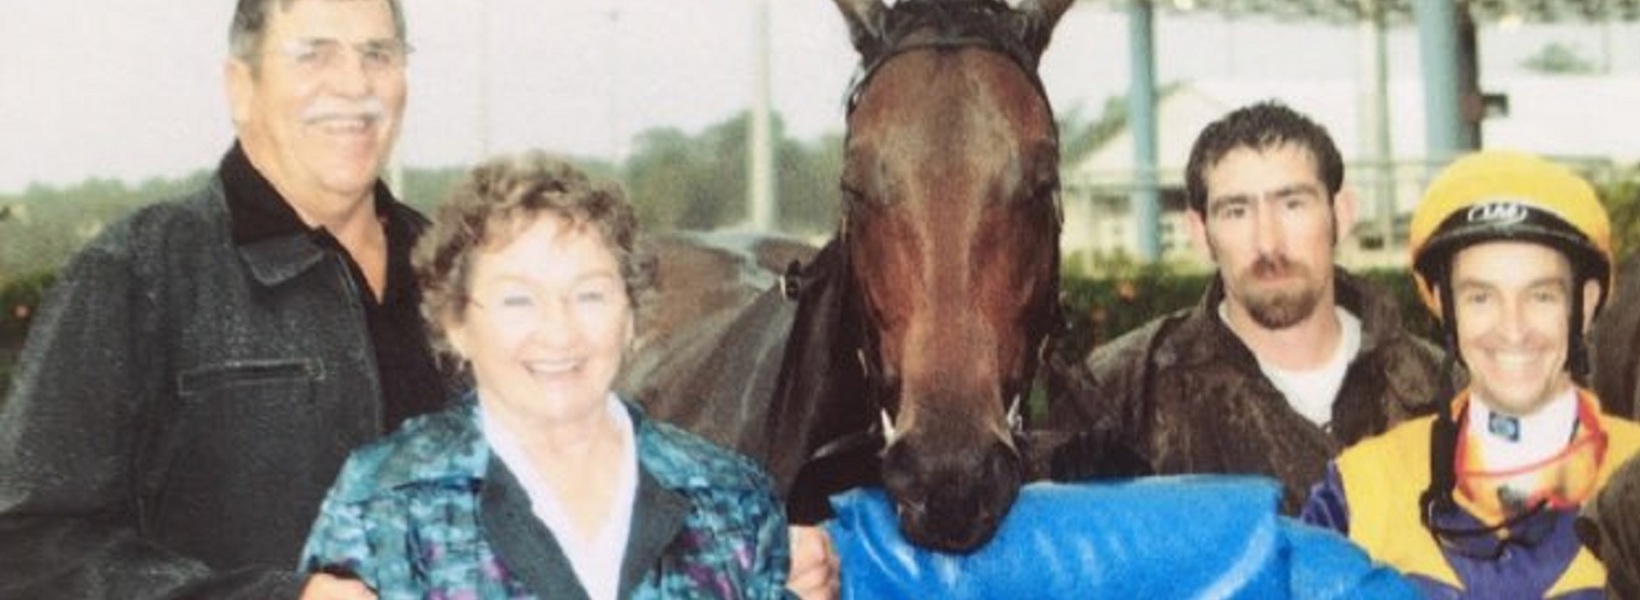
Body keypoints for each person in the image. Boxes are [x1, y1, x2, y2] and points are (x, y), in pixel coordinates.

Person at [0, 0, 448, 597]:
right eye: (314, 54)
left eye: (378, 54)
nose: (354, 83)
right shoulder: (137, 274)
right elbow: (28, 546)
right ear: (242, 85)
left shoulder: (460, 274)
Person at [299, 151, 794, 599]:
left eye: (590, 295)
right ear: (456, 324)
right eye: (518, 299)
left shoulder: (731, 501)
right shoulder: (385, 503)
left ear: (631, 317)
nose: (558, 331)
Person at [1047, 100, 1446, 512]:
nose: (1267, 243)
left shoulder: (1439, 391)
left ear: (1341, 214)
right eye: (1236, 211)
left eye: (1292, 204)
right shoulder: (1122, 398)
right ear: (1201, 233)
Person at [1301, 150, 1640, 598]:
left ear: (1587, 302)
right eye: (1481, 297)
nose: (1513, 330)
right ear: (1444, 305)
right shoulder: (1357, 489)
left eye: (1541, 296)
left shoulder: (1632, 477)